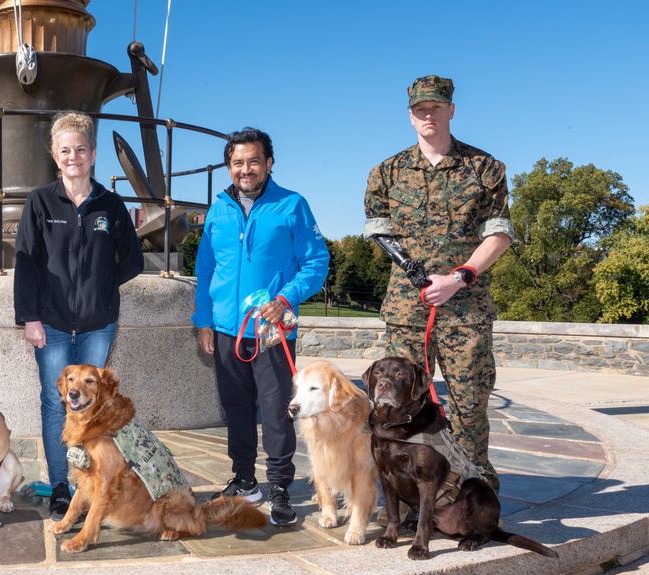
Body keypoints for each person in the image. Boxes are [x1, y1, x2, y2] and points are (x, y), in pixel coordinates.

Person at [363, 75, 513, 494]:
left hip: (466, 312)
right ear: (410, 116)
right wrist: (413, 271)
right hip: (408, 312)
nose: (428, 115)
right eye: (419, 109)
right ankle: (416, 500)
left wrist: (458, 278)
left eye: (436, 107)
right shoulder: (386, 172)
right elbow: (378, 230)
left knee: (469, 407)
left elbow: (499, 233)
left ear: (451, 110)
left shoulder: (486, 169)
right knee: (403, 408)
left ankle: (473, 498)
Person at [192, 127, 329, 526]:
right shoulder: (218, 209)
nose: (245, 169)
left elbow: (316, 262)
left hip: (272, 334)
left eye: (254, 161)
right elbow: (205, 270)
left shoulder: (292, 205)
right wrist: (203, 321)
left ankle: (280, 486)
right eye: (238, 163)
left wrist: (285, 298)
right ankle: (245, 479)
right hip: (225, 330)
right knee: (235, 410)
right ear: (229, 166)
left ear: (269, 163)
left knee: (275, 412)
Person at [14, 112, 145, 521]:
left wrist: (103, 287)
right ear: (56, 156)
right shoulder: (39, 201)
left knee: (90, 406)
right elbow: (27, 264)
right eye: (66, 150)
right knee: (56, 406)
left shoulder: (111, 204)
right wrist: (29, 317)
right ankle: (59, 486)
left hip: (97, 326)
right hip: (50, 325)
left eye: (81, 150)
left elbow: (135, 260)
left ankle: (87, 485)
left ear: (92, 155)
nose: (74, 157)